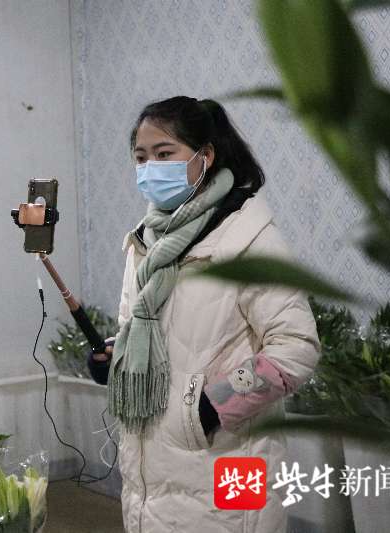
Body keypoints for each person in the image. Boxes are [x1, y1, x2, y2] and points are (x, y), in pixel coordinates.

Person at [87, 96, 321, 532]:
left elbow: (296, 349)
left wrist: (210, 409)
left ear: (205, 156)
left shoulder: (248, 238)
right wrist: (116, 357)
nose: (149, 168)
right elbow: (146, 330)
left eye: (164, 154)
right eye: (141, 158)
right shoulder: (147, 240)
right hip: (150, 459)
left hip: (229, 456)